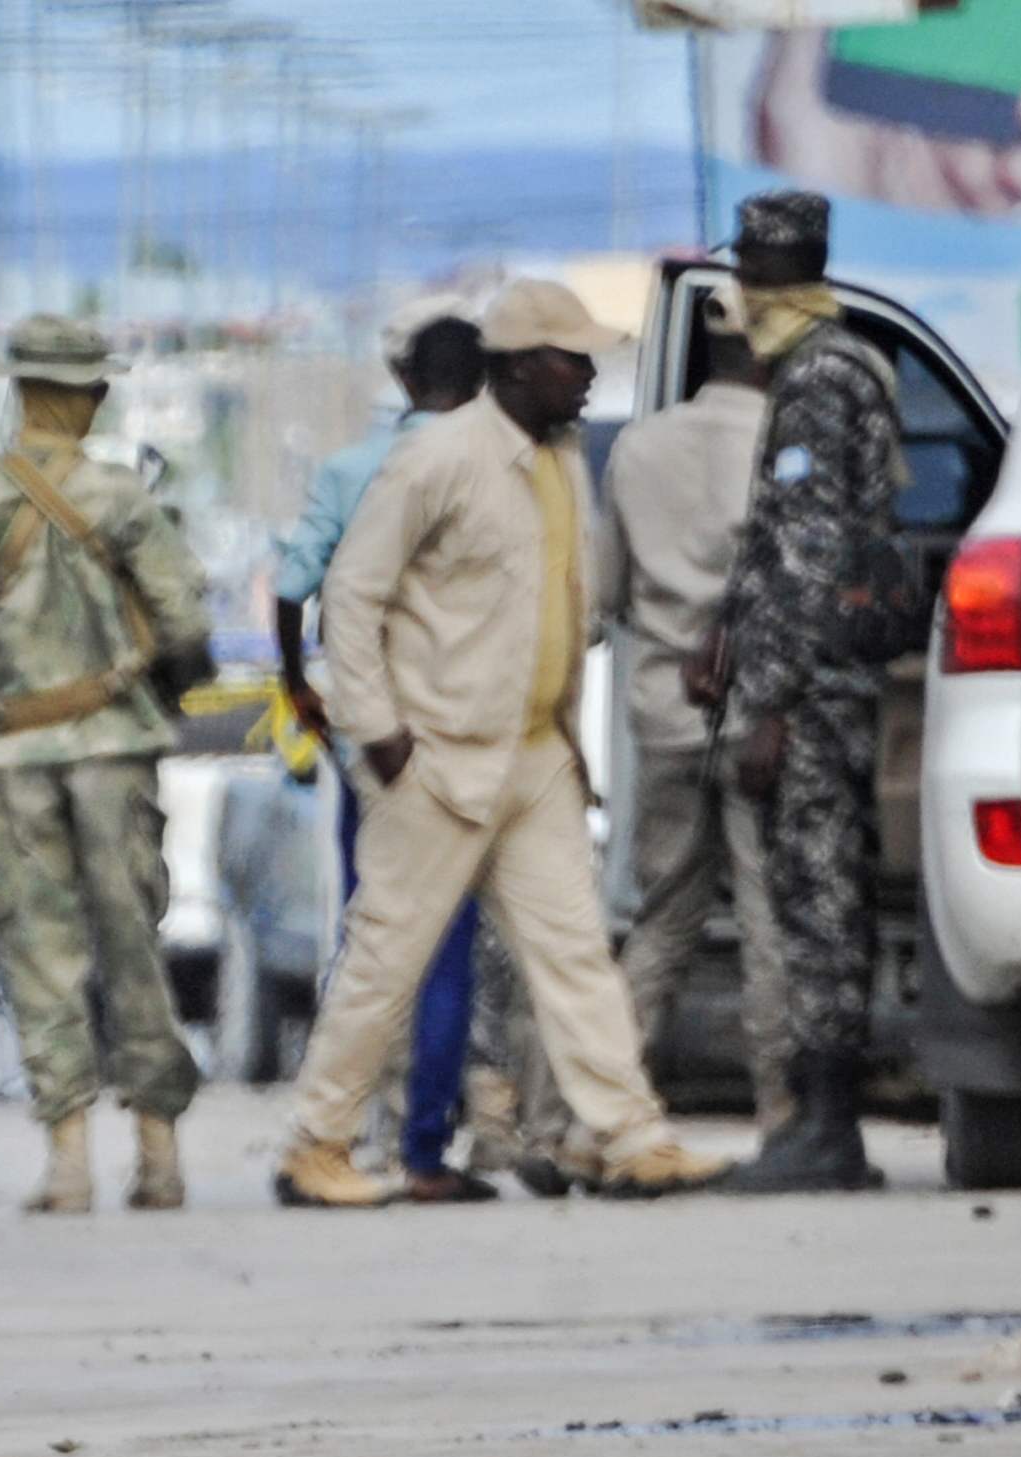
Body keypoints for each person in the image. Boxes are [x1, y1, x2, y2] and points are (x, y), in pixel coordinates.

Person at [274, 278, 714, 1211]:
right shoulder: (439, 457)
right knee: (384, 964)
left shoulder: (556, 459)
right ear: (518, 367)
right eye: (572, 359)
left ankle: (632, 1135)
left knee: (575, 954)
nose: (591, 376)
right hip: (435, 755)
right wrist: (379, 731)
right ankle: (317, 1143)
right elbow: (350, 595)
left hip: (534, 753)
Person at [0, 314, 215, 1215]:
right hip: (115, 751)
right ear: (92, 396)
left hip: (13, 756)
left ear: (18, 391)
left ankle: (68, 1162)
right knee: (134, 948)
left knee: (39, 956)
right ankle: (159, 1157)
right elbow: (186, 623)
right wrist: (171, 688)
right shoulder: (123, 500)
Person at [705, 190, 907, 1197]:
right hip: (818, 679)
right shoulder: (832, 363)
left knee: (819, 899)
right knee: (814, 894)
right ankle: (819, 1127)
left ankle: (828, 1131)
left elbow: (808, 546)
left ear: (753, 273)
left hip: (814, 693)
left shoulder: (818, 379)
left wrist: (771, 700)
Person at [272, 303, 493, 1201]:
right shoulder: (497, 475)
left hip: (373, 737)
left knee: (368, 932)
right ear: (480, 387)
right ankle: (426, 1148)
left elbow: (292, 590)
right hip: (459, 736)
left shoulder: (351, 468)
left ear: (405, 382)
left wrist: (300, 687)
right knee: (447, 945)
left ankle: (335, 1135)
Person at [597, 309, 799, 1161]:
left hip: (666, 710)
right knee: (767, 918)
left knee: (663, 918)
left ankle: (607, 1108)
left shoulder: (638, 449)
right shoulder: (784, 444)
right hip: (759, 715)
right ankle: (783, 1115)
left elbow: (608, 592)